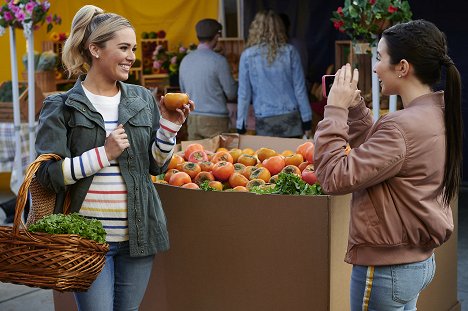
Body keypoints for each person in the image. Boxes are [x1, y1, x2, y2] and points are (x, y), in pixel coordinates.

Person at [34, 5, 194, 310]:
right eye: (123, 47)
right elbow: (48, 175)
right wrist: (103, 154)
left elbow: (156, 165)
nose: (132, 55)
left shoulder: (141, 97)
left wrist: (170, 127)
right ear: (95, 49)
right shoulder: (62, 106)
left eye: (133, 48)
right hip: (86, 239)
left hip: (138, 233)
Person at [313, 20, 462, 310]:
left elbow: (333, 176)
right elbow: (388, 156)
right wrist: (356, 109)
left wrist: (335, 110)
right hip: (416, 262)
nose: (375, 67)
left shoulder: (401, 126)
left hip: (386, 270)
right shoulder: (435, 113)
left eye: (380, 58)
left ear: (403, 67)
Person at [236, 10, 312, 138]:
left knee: (268, 157)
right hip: (290, 117)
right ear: (280, 29)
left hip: (264, 117)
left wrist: (240, 124)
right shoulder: (290, 52)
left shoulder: (247, 55)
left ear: (255, 29)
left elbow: (244, 94)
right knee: (292, 157)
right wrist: (307, 120)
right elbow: (300, 88)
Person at [179, 18, 238, 140]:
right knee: (217, 157)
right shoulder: (219, 61)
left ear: (197, 36)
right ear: (217, 36)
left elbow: (183, 92)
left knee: (194, 157)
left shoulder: (185, 60)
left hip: (193, 118)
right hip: (215, 120)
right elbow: (231, 93)